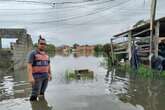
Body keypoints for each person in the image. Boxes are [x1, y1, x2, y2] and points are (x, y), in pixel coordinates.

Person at [27, 36, 52, 101]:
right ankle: (33, 105)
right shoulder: (33, 53)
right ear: (38, 44)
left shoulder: (46, 55)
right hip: (37, 77)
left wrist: (50, 74)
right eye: (41, 43)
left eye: (44, 44)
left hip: (45, 76)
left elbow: (48, 65)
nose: (43, 45)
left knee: (42, 92)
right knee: (34, 93)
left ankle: (41, 105)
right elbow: (29, 65)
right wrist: (30, 77)